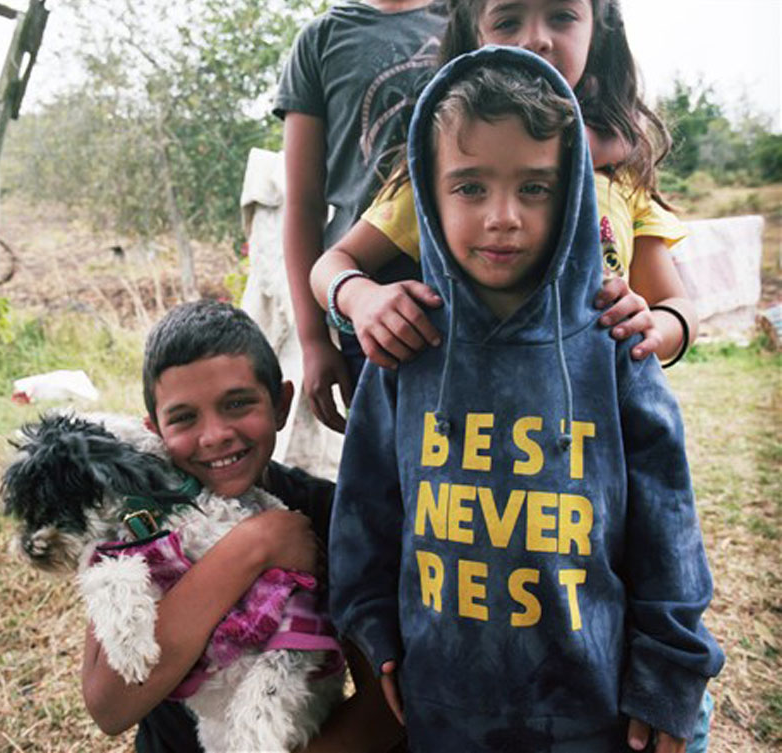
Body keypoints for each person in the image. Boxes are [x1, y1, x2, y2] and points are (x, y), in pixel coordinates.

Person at [328, 47, 723, 753]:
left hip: (591, 710)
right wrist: (375, 630)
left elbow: (669, 528)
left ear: (570, 191)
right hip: (444, 707)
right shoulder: (405, 348)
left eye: (534, 188)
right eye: (470, 187)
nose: (503, 216)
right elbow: (365, 510)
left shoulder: (612, 342)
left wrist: (669, 670)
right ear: (427, 192)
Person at [310, 0, 697, 382]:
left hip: (591, 432)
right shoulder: (445, 173)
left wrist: (653, 331)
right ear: (472, 36)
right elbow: (335, 261)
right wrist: (360, 298)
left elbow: (676, 305)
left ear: (599, 27)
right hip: (450, 427)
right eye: (508, 20)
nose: (535, 40)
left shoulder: (619, 180)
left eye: (561, 16)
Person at [80, 300, 404, 753]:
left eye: (237, 403)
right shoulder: (137, 517)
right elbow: (110, 707)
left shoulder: (333, 515)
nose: (214, 435)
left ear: (281, 404)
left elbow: (385, 713)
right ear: (154, 431)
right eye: (184, 417)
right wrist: (254, 545)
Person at [276, 0, 448, 432]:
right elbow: (303, 204)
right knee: (385, 472)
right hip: (363, 304)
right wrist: (314, 341)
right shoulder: (321, 41)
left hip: (472, 299)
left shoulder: (473, 17)